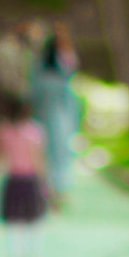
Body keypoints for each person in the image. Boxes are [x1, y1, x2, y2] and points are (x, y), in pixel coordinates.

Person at [0, 96, 50, 257]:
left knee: (14, 223)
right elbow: (38, 160)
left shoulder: (3, 131)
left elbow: (1, 160)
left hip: (13, 180)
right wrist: (45, 183)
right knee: (35, 221)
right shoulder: (35, 132)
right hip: (30, 180)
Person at [31, 24, 79, 210]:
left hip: (49, 117)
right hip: (57, 118)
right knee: (56, 155)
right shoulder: (58, 75)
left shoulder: (41, 71)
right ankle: (54, 191)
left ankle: (52, 191)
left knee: (51, 155)